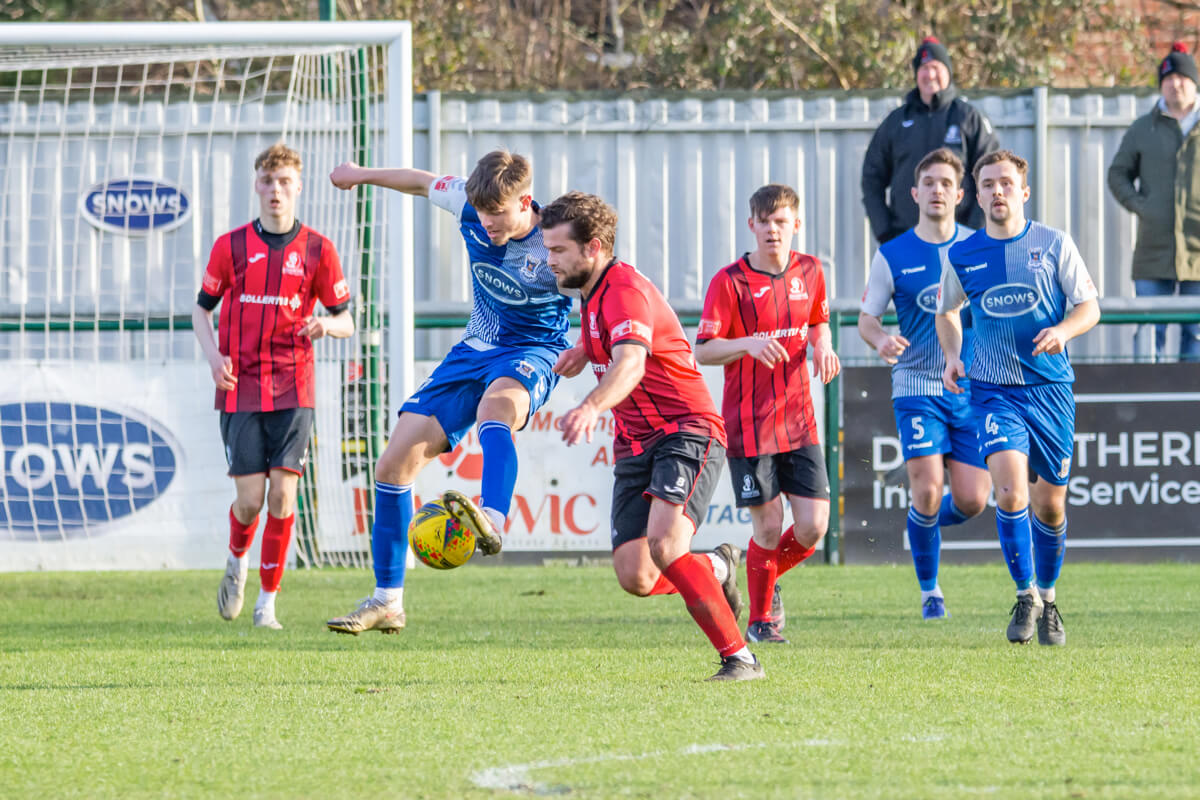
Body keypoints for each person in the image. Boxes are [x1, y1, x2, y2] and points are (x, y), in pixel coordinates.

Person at [324, 150, 571, 634]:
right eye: (481, 212)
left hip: (534, 350)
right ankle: (387, 602)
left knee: (496, 407)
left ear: (525, 201)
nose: (487, 222)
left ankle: (492, 519)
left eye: (497, 213)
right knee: (394, 464)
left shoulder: (558, 238)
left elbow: (607, 282)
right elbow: (419, 181)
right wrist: (359, 175)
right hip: (473, 348)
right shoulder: (471, 202)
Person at [543, 191, 760, 682]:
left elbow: (633, 363)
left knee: (665, 545)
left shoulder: (624, 290)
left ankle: (740, 658)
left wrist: (591, 405)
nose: (548, 259)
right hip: (636, 441)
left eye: (557, 251)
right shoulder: (593, 289)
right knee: (637, 576)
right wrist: (583, 346)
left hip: (686, 430)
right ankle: (720, 567)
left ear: (593, 247)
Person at [936, 150, 1099, 646]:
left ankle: (1048, 600)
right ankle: (1025, 595)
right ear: (977, 194)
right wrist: (953, 355)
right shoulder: (962, 255)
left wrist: (1064, 330)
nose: (997, 191)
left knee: (1050, 507)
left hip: (1050, 389)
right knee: (1010, 493)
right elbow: (947, 313)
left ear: (1024, 192)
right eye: (988, 184)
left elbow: (1089, 307)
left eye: (1006, 183)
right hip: (993, 389)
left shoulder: (1053, 244)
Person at [193, 143, 355, 630]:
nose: (275, 190)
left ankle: (267, 604)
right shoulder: (231, 246)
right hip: (239, 386)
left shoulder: (318, 250)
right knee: (250, 501)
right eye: (267, 181)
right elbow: (201, 309)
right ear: (256, 187)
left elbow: (347, 317)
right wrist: (213, 357)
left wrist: (329, 326)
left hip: (294, 386)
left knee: (283, 497)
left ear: (298, 187)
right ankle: (237, 561)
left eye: (284, 181)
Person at [693, 184, 840, 645]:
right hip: (748, 426)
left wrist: (825, 344)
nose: (773, 230)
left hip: (799, 421)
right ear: (751, 226)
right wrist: (747, 344)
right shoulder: (730, 281)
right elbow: (703, 349)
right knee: (770, 525)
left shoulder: (812, 271)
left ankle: (763, 572)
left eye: (782, 222)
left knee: (815, 525)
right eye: (764, 222)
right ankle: (759, 620)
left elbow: (817, 320)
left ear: (796, 224)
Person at [858, 148, 991, 619]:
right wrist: (880, 341)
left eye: (946, 184)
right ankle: (930, 593)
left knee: (974, 500)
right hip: (915, 384)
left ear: (960, 194)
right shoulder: (893, 254)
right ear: (914, 193)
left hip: (971, 388)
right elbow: (867, 318)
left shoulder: (980, 246)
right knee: (928, 488)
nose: (937, 190)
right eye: (928, 183)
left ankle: (921, 525)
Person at [1107, 42, 1200, 362]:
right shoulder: (1143, 128)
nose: (1175, 84)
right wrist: (1141, 206)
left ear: (1194, 82)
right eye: (1168, 78)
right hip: (1152, 249)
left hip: (1198, 252)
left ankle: (1191, 406)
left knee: (1196, 334)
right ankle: (1148, 405)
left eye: (1182, 78)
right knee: (1149, 331)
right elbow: (1117, 174)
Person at [862, 36, 999, 244]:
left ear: (948, 73)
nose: (930, 74)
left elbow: (991, 174)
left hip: (960, 241)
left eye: (936, 67)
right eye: (924, 68)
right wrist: (885, 232)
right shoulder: (897, 121)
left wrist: (975, 232)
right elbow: (871, 178)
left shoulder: (968, 118)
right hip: (906, 240)